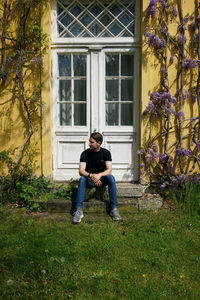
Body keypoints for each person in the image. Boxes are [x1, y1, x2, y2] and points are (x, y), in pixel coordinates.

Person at [73, 132, 121, 223]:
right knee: (82, 178)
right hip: (90, 180)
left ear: (99, 143)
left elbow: (109, 170)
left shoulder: (106, 153)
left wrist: (99, 175)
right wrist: (91, 176)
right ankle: (78, 210)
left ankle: (114, 209)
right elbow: (81, 171)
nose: (89, 144)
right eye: (89, 141)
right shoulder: (85, 154)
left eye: (91, 142)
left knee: (111, 177)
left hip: (102, 179)